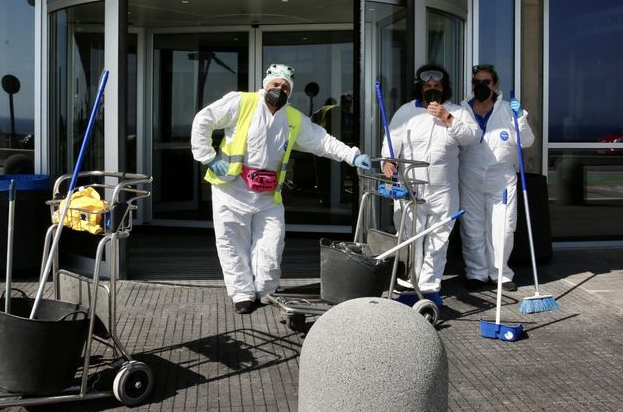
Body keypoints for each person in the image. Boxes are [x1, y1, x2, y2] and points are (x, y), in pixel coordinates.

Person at [191, 63, 372, 314]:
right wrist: (208, 157)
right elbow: (204, 119)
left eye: (285, 86)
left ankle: (265, 290)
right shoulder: (241, 103)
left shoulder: (294, 118)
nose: (280, 89)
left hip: (268, 194)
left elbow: (323, 141)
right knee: (232, 243)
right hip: (231, 189)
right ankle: (242, 293)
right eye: (275, 84)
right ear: (266, 85)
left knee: (272, 243)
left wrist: (352, 157)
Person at [380, 64, 479, 297]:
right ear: (420, 88)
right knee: (411, 237)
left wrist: (447, 117)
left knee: (439, 238)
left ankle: (429, 286)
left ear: (444, 89)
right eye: (427, 86)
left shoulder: (458, 111)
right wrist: (388, 161)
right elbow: (391, 140)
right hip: (411, 187)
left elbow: (472, 137)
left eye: (437, 86)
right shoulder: (406, 111)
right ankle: (411, 281)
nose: (432, 89)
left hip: (444, 189)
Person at [459, 64, 535, 292]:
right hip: (470, 174)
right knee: (472, 227)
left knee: (502, 228)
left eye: (486, 83)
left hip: (501, 177)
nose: (482, 87)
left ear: (495, 85)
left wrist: (520, 116)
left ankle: (500, 273)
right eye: (477, 83)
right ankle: (477, 273)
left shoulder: (508, 110)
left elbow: (527, 141)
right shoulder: (462, 109)